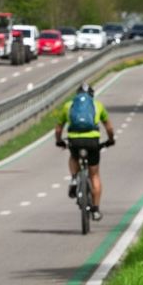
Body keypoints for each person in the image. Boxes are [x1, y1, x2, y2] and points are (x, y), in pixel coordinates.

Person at [54, 82, 116, 221]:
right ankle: (95, 210)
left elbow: (58, 128)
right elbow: (109, 128)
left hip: (75, 141)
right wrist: (111, 139)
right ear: (91, 96)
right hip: (92, 142)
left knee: (73, 157)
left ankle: (75, 178)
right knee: (94, 175)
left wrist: (59, 141)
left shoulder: (68, 106)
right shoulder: (97, 105)